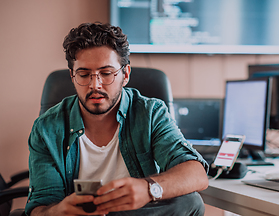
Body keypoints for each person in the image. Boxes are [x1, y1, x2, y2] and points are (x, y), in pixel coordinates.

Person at [25, 22, 209, 216]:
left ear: (125, 74)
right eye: (84, 74)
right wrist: (59, 210)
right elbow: (40, 208)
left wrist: (148, 189)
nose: (95, 85)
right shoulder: (46, 128)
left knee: (191, 201)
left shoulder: (150, 113)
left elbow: (196, 174)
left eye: (106, 73)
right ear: (72, 76)